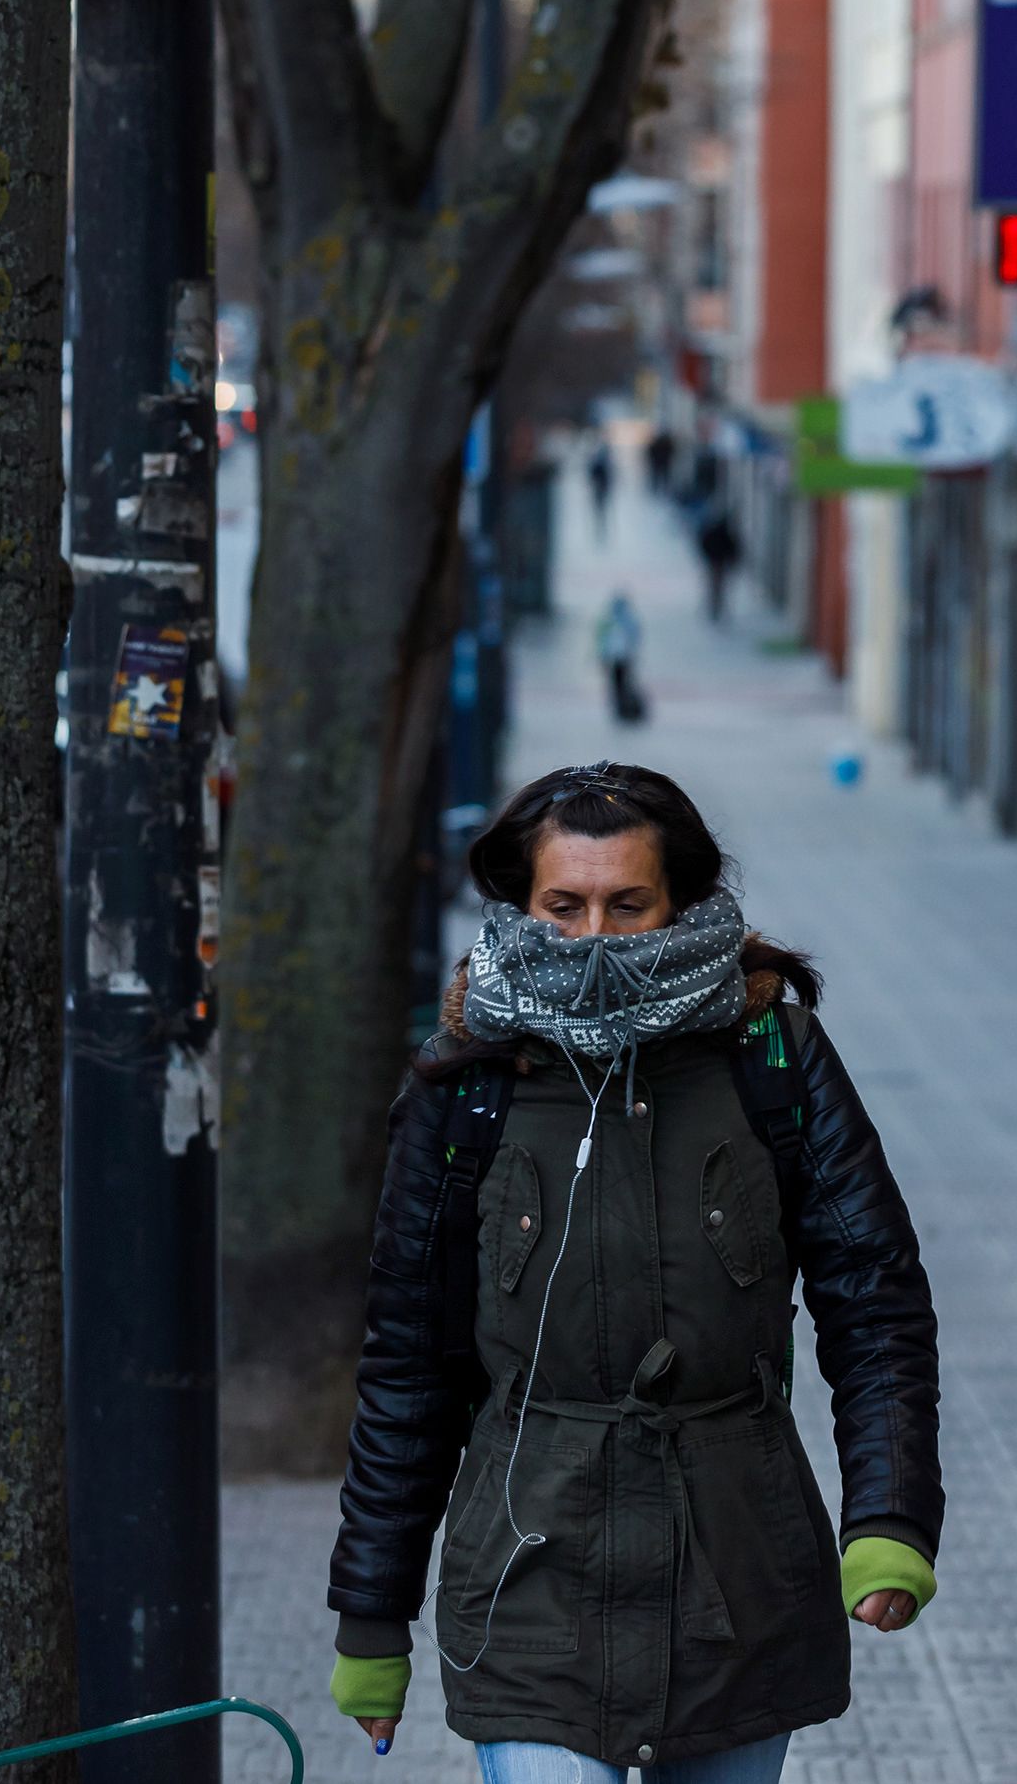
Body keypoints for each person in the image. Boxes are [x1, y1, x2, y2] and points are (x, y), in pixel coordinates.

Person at [327, 761, 942, 1784]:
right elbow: (408, 1363)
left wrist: (888, 1517)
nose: (595, 935)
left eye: (627, 903)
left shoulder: (769, 1055)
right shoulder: (464, 1083)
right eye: (563, 905)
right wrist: (370, 1611)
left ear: (681, 902)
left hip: (735, 1574)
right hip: (530, 1579)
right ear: (519, 906)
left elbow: (874, 1305)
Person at [595, 593, 647, 726]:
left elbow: (602, 641)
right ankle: (623, 707)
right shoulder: (627, 621)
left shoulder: (609, 622)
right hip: (622, 658)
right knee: (622, 682)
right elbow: (634, 638)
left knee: (618, 683)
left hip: (618, 659)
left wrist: (603, 656)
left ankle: (623, 707)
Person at [695, 504, 742, 624]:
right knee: (717, 588)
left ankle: (716, 608)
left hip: (717, 563)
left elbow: (732, 548)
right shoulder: (722, 533)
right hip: (716, 563)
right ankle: (715, 608)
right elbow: (732, 548)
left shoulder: (719, 532)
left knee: (716, 588)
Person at [585, 437, 615, 535]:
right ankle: (599, 526)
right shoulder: (599, 462)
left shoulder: (601, 462)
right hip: (599, 488)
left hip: (601, 488)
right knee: (599, 508)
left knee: (600, 508)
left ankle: (601, 526)